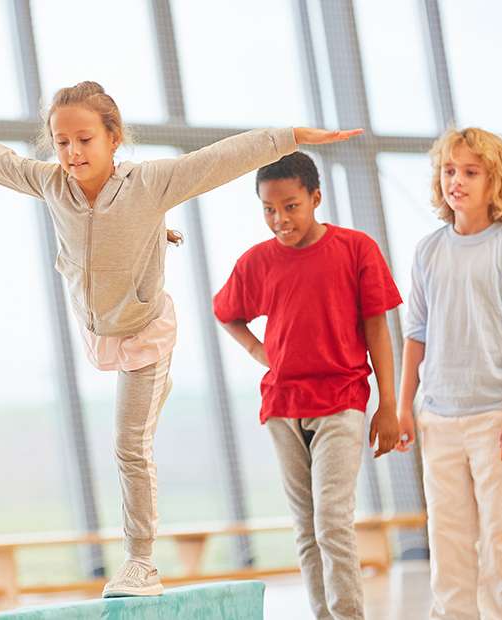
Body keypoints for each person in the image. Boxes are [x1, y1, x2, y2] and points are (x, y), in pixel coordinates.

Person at [0, 80, 362, 598]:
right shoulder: (50, 184)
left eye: (84, 139)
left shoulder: (150, 183)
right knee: (128, 439)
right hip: (98, 330)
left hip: (144, 335)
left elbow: (221, 158)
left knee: (129, 445)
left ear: (113, 138)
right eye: (62, 141)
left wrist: (288, 136)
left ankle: (141, 562)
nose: (72, 152)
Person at [213, 152, 401, 619]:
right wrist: (260, 352)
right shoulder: (256, 262)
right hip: (281, 405)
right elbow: (227, 313)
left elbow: (378, 327)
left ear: (316, 198)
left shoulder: (356, 249)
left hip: (342, 399)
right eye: (269, 209)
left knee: (332, 522)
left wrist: (389, 404)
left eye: (291, 206)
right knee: (305, 527)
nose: (280, 219)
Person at [396, 127, 502, 619]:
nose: (457, 180)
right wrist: (403, 409)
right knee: (449, 541)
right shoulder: (427, 251)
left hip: (495, 420)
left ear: (493, 180)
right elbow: (415, 333)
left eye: (471, 172)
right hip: (437, 418)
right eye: (449, 170)